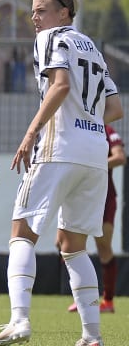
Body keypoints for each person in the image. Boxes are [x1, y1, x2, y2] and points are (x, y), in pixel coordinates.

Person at [0, 0, 123, 346]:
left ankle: (19, 321)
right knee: (72, 245)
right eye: (32, 10)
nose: (34, 16)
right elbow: (115, 109)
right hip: (95, 155)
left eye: (41, 9)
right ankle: (92, 336)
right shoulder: (90, 45)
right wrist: (87, 119)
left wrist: (31, 132)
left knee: (22, 233)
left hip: (60, 147)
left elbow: (60, 85)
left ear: (64, 12)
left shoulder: (50, 38)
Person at [67, 124, 125, 314]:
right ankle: (82, 298)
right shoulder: (73, 125)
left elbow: (119, 157)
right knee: (66, 243)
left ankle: (108, 301)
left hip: (104, 196)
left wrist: (94, 164)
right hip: (77, 193)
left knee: (103, 245)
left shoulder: (106, 130)